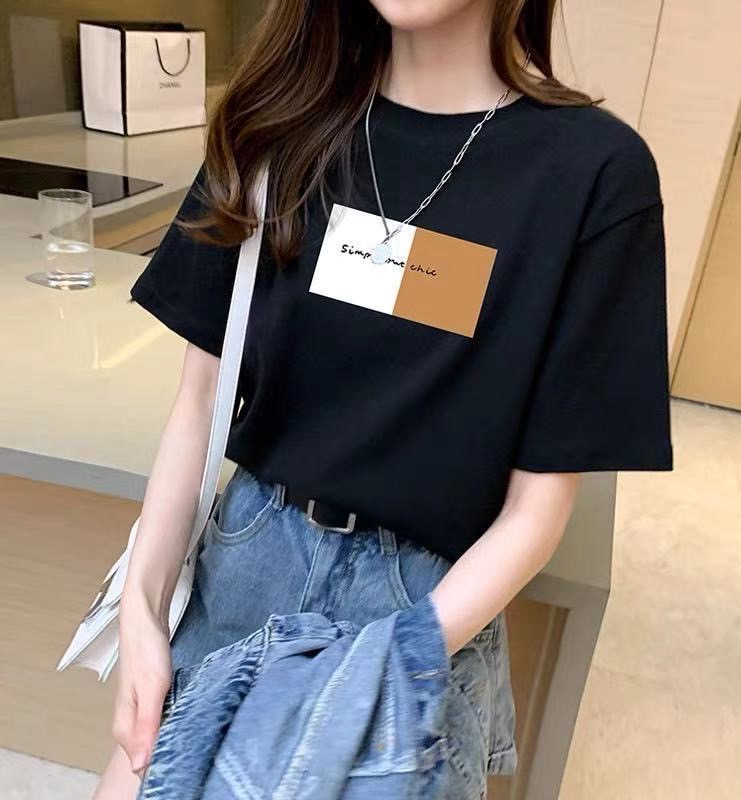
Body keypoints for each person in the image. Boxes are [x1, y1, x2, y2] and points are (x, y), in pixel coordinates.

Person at [94, 0, 673, 797]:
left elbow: (537, 510)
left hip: (421, 610)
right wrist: (141, 610)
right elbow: (199, 402)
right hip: (245, 562)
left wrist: (395, 659)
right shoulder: (278, 128)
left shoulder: (594, 175)